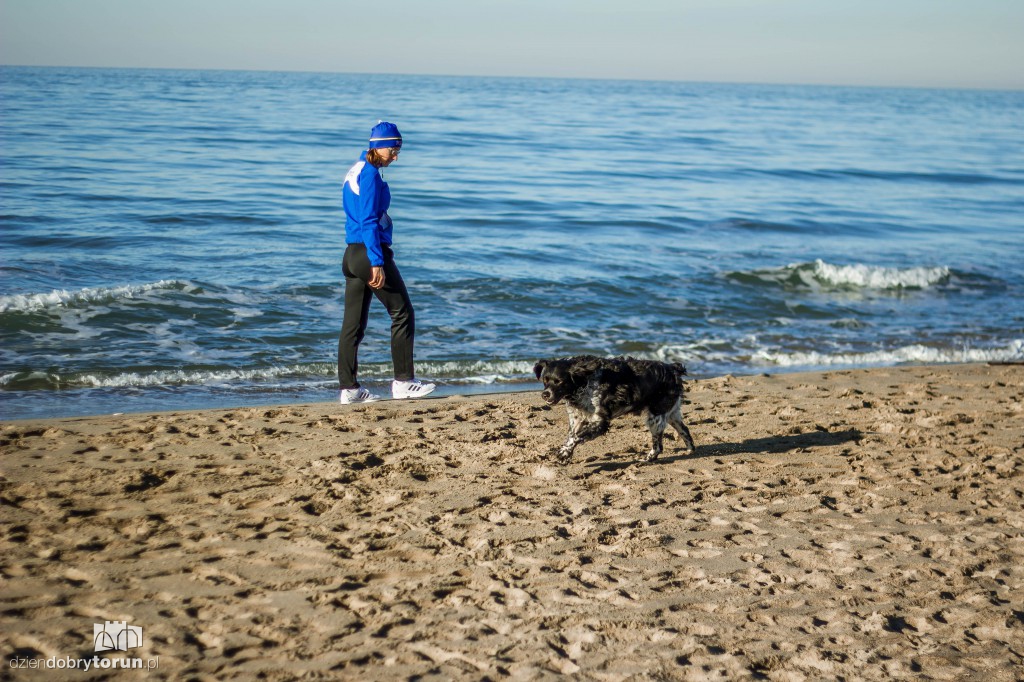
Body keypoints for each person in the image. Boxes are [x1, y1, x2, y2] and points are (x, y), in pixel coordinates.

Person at [337, 121, 436, 404]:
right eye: (393, 149)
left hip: (352, 254)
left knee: (353, 325)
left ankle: (350, 390)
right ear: (379, 147)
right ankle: (404, 383)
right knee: (402, 313)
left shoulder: (356, 169)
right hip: (369, 253)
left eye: (398, 150)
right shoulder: (369, 173)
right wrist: (377, 261)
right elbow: (368, 220)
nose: (396, 156)